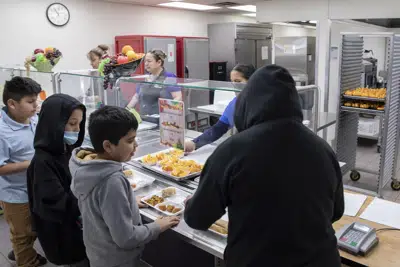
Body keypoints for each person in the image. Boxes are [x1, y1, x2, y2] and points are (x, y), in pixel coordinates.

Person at [184, 65, 344, 267]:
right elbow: (336, 212)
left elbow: (197, 218)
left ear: (247, 102)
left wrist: (191, 204)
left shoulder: (232, 150)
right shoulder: (323, 149)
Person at [70, 106, 180, 267]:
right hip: (118, 261)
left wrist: (127, 202)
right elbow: (126, 238)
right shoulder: (111, 181)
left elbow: (98, 206)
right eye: (129, 140)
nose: (136, 145)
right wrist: (157, 226)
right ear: (108, 146)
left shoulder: (85, 165)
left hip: (99, 254)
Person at [26, 94, 88, 266]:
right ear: (55, 124)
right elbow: (59, 205)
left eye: (80, 123)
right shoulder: (43, 162)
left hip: (75, 227)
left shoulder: (63, 148)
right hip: (64, 236)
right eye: (72, 123)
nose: (77, 129)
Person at [0, 77, 47, 266]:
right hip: (16, 194)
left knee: (30, 229)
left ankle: (22, 249)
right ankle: (26, 261)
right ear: (12, 103)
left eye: (36, 100)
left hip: (35, 187)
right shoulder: (2, 132)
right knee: (22, 233)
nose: (36, 105)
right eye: (30, 102)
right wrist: (33, 163)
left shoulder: (32, 117)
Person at [185, 64, 255, 152]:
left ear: (252, 81)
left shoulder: (263, 103)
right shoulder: (235, 104)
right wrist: (194, 144)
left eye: (238, 81)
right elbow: (218, 128)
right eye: (232, 82)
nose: (234, 86)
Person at [126, 49, 182, 118]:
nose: (146, 64)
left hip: (163, 120)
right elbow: (136, 97)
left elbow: (178, 97)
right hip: (145, 119)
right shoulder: (145, 77)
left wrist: (168, 114)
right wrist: (126, 111)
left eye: (149, 61)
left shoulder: (169, 77)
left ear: (159, 62)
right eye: (145, 61)